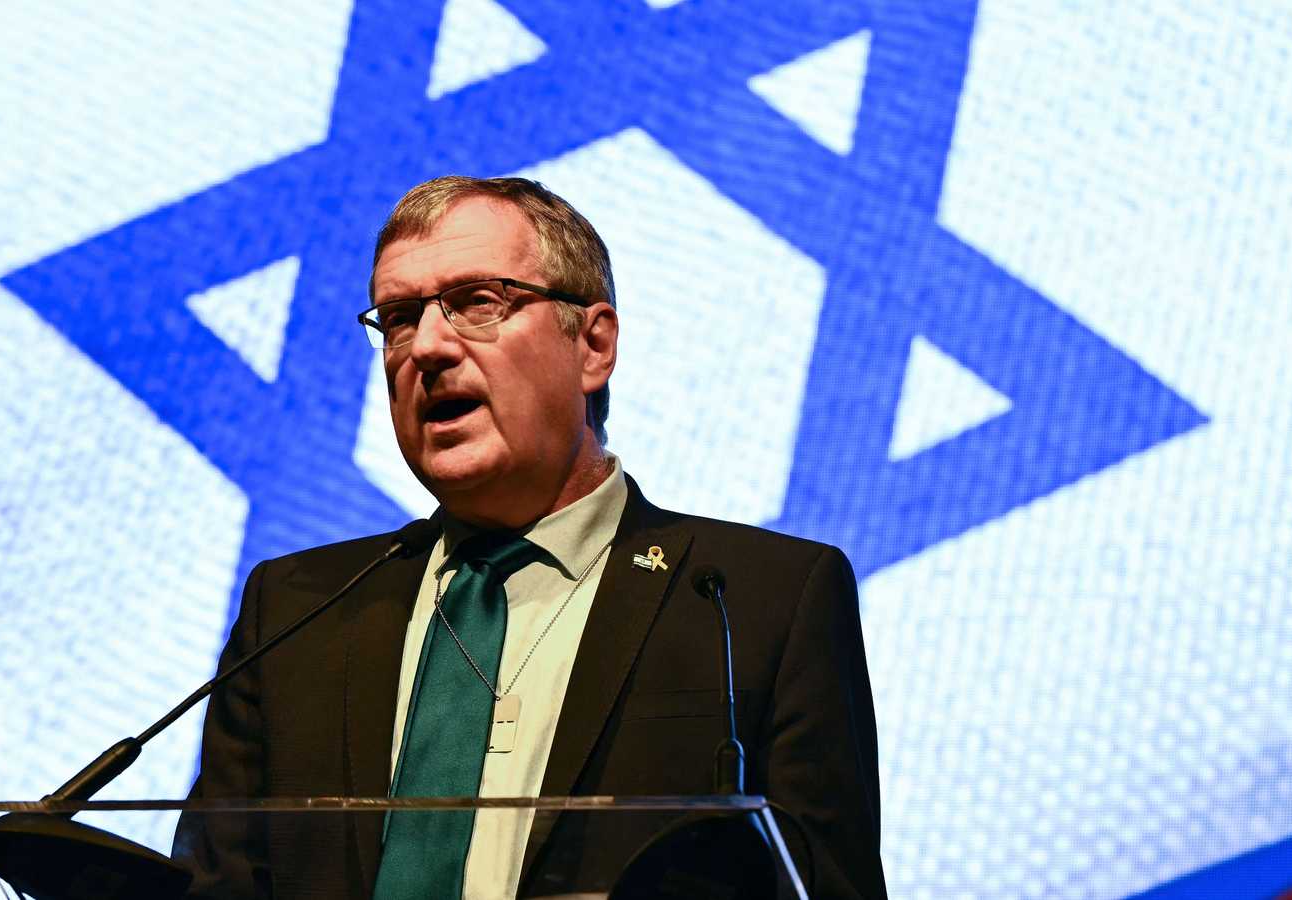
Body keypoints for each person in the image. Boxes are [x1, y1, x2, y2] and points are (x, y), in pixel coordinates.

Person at [174, 177, 886, 899]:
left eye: (478, 301)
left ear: (593, 346)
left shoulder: (758, 603)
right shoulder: (295, 611)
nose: (427, 347)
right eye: (398, 318)